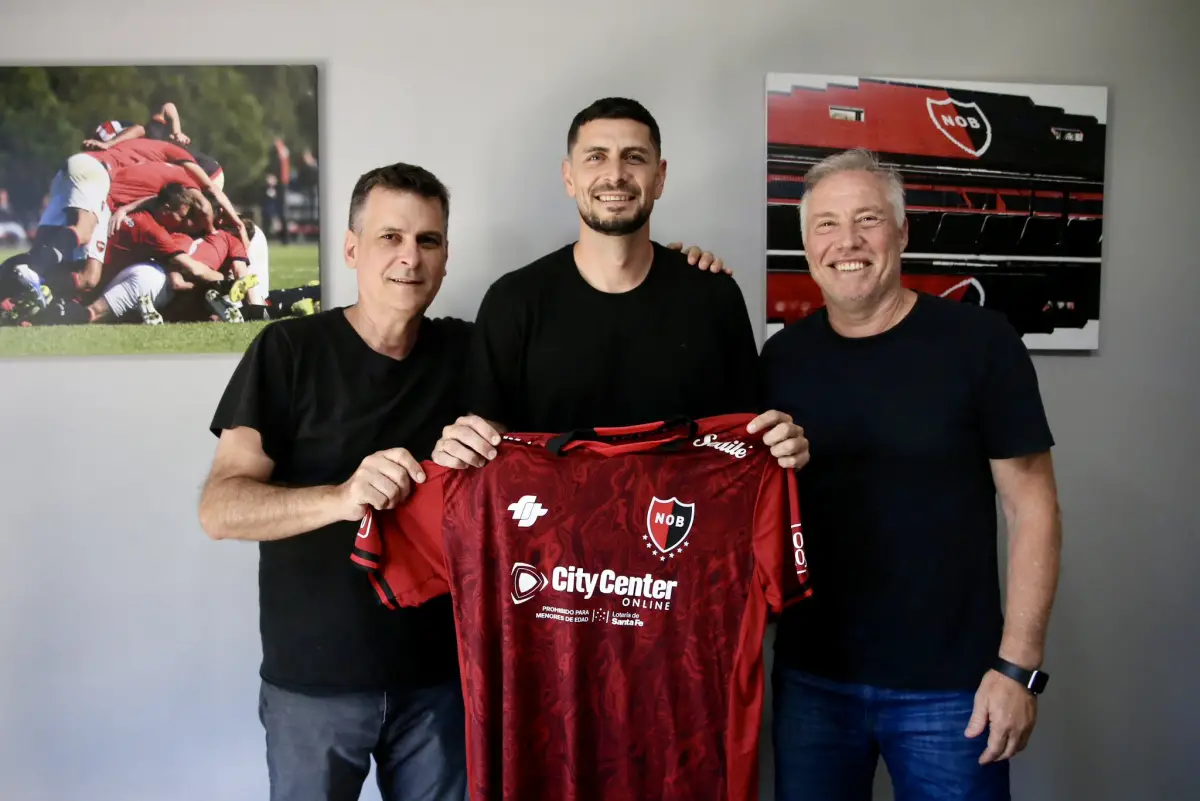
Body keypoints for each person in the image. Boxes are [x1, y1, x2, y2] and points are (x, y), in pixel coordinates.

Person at [197, 159, 732, 801]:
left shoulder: (472, 352)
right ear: (351, 247)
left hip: (446, 681)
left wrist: (668, 271)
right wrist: (342, 498)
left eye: (429, 240)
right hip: (315, 685)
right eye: (390, 237)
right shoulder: (288, 350)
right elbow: (221, 508)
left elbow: (595, 393)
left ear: (447, 256)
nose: (410, 258)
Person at [759, 148, 1063, 801]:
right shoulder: (781, 358)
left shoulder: (982, 343)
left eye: (868, 220)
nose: (848, 242)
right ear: (806, 243)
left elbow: (1033, 508)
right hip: (812, 679)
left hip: (953, 688)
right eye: (827, 224)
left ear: (902, 231)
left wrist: (1020, 668)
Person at [432, 96, 810, 470]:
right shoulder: (512, 301)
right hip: (549, 530)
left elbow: (746, 446)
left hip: (683, 528)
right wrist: (461, 448)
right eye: (596, 157)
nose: (615, 174)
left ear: (659, 177)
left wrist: (780, 443)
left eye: (634, 157)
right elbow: (487, 450)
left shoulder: (714, 296)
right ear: (569, 176)